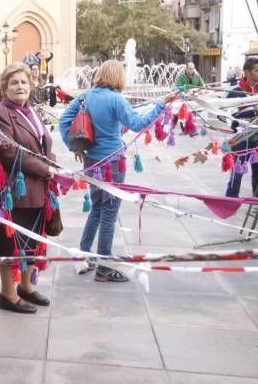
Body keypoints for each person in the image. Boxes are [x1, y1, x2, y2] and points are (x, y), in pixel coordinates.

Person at [59, 60, 175, 282]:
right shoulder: (116, 99)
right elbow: (138, 124)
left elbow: (64, 120)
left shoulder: (86, 96)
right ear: (118, 77)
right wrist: (160, 104)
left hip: (91, 160)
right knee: (109, 214)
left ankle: (85, 256)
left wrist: (75, 146)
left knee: (97, 209)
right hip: (113, 163)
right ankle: (103, 268)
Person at [0, 63, 57, 313]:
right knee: (10, 244)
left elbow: (42, 145)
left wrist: (54, 164)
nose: (20, 87)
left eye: (24, 82)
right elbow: (9, 151)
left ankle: (26, 287)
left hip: (38, 188)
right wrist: (45, 169)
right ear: (4, 87)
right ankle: (8, 294)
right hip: (14, 192)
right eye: (14, 82)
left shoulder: (31, 111)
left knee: (32, 240)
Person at [225, 58, 258, 203]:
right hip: (241, 137)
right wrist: (247, 116)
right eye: (257, 70)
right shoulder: (235, 91)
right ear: (247, 72)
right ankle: (231, 199)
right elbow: (227, 115)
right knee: (237, 169)